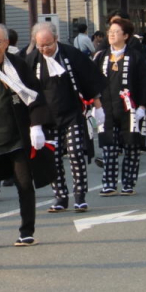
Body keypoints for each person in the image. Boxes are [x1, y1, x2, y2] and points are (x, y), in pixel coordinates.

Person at [0, 22, 51, 248]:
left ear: (6, 43)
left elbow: (35, 96)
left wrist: (36, 126)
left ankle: (27, 231)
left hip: (17, 135)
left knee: (24, 183)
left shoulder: (19, 66)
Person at [28, 21, 104, 212]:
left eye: (48, 44)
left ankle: (80, 196)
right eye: (40, 45)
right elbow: (24, 92)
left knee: (76, 153)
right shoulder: (32, 60)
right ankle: (60, 197)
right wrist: (33, 124)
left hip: (72, 113)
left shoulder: (71, 54)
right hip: (46, 118)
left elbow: (90, 78)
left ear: (56, 39)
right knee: (53, 159)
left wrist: (98, 106)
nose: (44, 49)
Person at [92, 17, 146, 196]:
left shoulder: (136, 57)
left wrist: (142, 106)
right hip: (107, 109)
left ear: (126, 35)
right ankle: (109, 183)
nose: (111, 35)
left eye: (116, 32)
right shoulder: (101, 56)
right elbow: (92, 81)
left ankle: (128, 182)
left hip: (130, 110)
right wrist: (95, 106)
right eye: (110, 32)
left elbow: (145, 83)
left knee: (131, 148)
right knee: (109, 148)